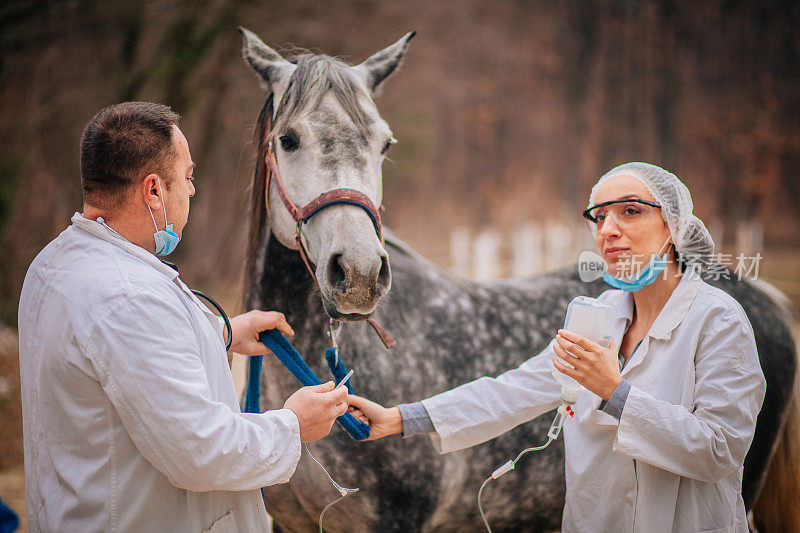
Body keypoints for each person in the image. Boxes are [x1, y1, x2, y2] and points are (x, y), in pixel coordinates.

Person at [349, 162, 766, 532]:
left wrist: (615, 394)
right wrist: (400, 418)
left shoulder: (718, 321)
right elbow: (511, 391)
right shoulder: (598, 318)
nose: (608, 230)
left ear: (673, 225)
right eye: (599, 217)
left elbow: (719, 450)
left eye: (630, 211)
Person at [18, 102, 349, 532]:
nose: (192, 191)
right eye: (188, 177)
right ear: (153, 190)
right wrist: (293, 425)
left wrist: (223, 332)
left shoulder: (54, 264)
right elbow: (202, 453)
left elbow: (109, 356)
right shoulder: (129, 297)